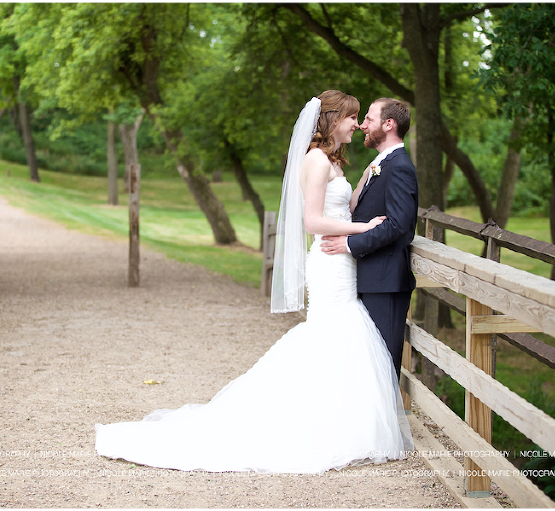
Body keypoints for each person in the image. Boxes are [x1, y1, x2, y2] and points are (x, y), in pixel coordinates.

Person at [95, 91, 413, 473]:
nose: (356, 124)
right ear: (331, 120)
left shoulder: (335, 163)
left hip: (342, 262)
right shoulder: (314, 160)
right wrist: (362, 227)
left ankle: (337, 420)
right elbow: (312, 222)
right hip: (331, 263)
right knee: (332, 334)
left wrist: (363, 185)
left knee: (338, 339)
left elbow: (342, 206)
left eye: (361, 118)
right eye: (351, 118)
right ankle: (320, 425)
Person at [320, 98, 418, 381]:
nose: (362, 125)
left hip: (385, 282)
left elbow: (399, 225)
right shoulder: (381, 164)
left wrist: (350, 245)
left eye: (369, 120)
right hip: (369, 277)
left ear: (389, 125)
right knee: (366, 367)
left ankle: (384, 426)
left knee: (382, 369)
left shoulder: (399, 166)